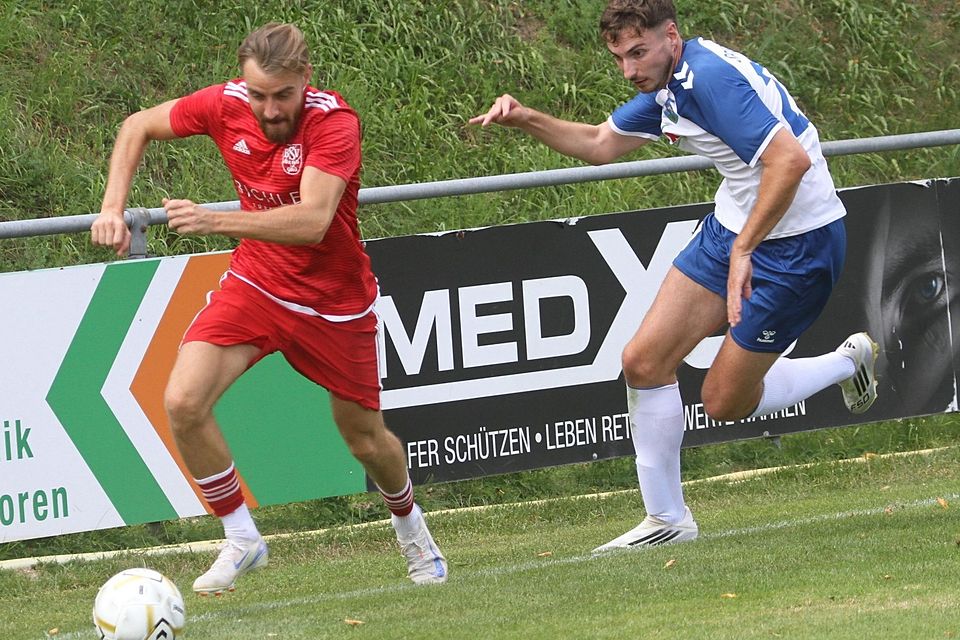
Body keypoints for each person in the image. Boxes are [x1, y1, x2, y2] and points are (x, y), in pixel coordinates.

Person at [470, 0, 880, 552]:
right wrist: (525, 118)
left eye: (638, 53)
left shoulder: (707, 79)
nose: (630, 69)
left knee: (723, 402)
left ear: (671, 35)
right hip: (736, 227)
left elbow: (790, 162)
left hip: (799, 245)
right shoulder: (665, 86)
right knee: (642, 362)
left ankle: (844, 363)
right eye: (619, 57)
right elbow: (599, 145)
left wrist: (745, 250)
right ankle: (667, 519)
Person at [91, 22, 447, 592]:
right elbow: (136, 126)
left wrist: (214, 220)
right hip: (257, 283)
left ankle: (412, 530)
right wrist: (112, 207)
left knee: (364, 440)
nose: (270, 108)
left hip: (334, 303)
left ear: (305, 78)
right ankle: (241, 538)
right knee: (183, 401)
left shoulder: (335, 122)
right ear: (243, 83)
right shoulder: (224, 103)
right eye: (259, 94)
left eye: (282, 95)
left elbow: (312, 222)